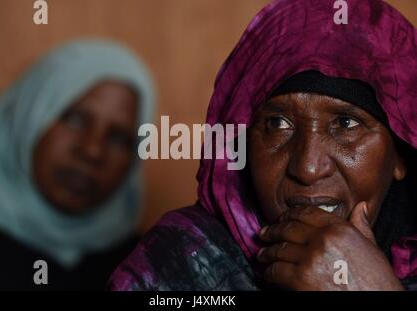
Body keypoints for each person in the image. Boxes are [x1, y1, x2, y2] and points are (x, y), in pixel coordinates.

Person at [109, 0, 417, 291]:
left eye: (346, 124)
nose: (307, 168)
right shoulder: (176, 263)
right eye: (277, 124)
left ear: (400, 155)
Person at [0, 39, 155, 290]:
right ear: (27, 116)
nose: (92, 151)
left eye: (118, 137)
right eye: (74, 119)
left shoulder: (149, 267)